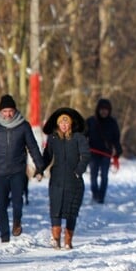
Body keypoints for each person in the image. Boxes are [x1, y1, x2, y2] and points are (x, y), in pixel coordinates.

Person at [0, 94, 46, 243]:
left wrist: (40, 166)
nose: (8, 114)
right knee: (1, 204)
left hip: (18, 171)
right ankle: (4, 235)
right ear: (0, 112)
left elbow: (32, 147)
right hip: (0, 172)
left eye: (10, 111)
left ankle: (17, 221)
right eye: (4, 111)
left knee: (18, 202)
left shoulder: (23, 126)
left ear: (15, 110)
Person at [42, 107, 90, 250]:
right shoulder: (52, 138)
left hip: (74, 180)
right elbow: (47, 156)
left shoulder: (78, 138)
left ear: (70, 124)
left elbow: (86, 155)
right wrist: (40, 169)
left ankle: (68, 241)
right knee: (55, 208)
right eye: (61, 123)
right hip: (56, 178)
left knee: (71, 210)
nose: (64, 125)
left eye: (66, 123)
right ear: (57, 124)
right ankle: (56, 239)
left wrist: (78, 171)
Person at [86, 98, 123, 204]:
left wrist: (118, 151)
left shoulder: (112, 122)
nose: (104, 111)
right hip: (92, 153)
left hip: (106, 153)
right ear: (98, 109)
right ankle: (95, 194)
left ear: (109, 110)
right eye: (102, 109)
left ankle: (101, 197)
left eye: (106, 109)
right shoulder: (90, 121)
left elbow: (116, 138)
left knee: (104, 175)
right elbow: (83, 136)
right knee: (93, 175)